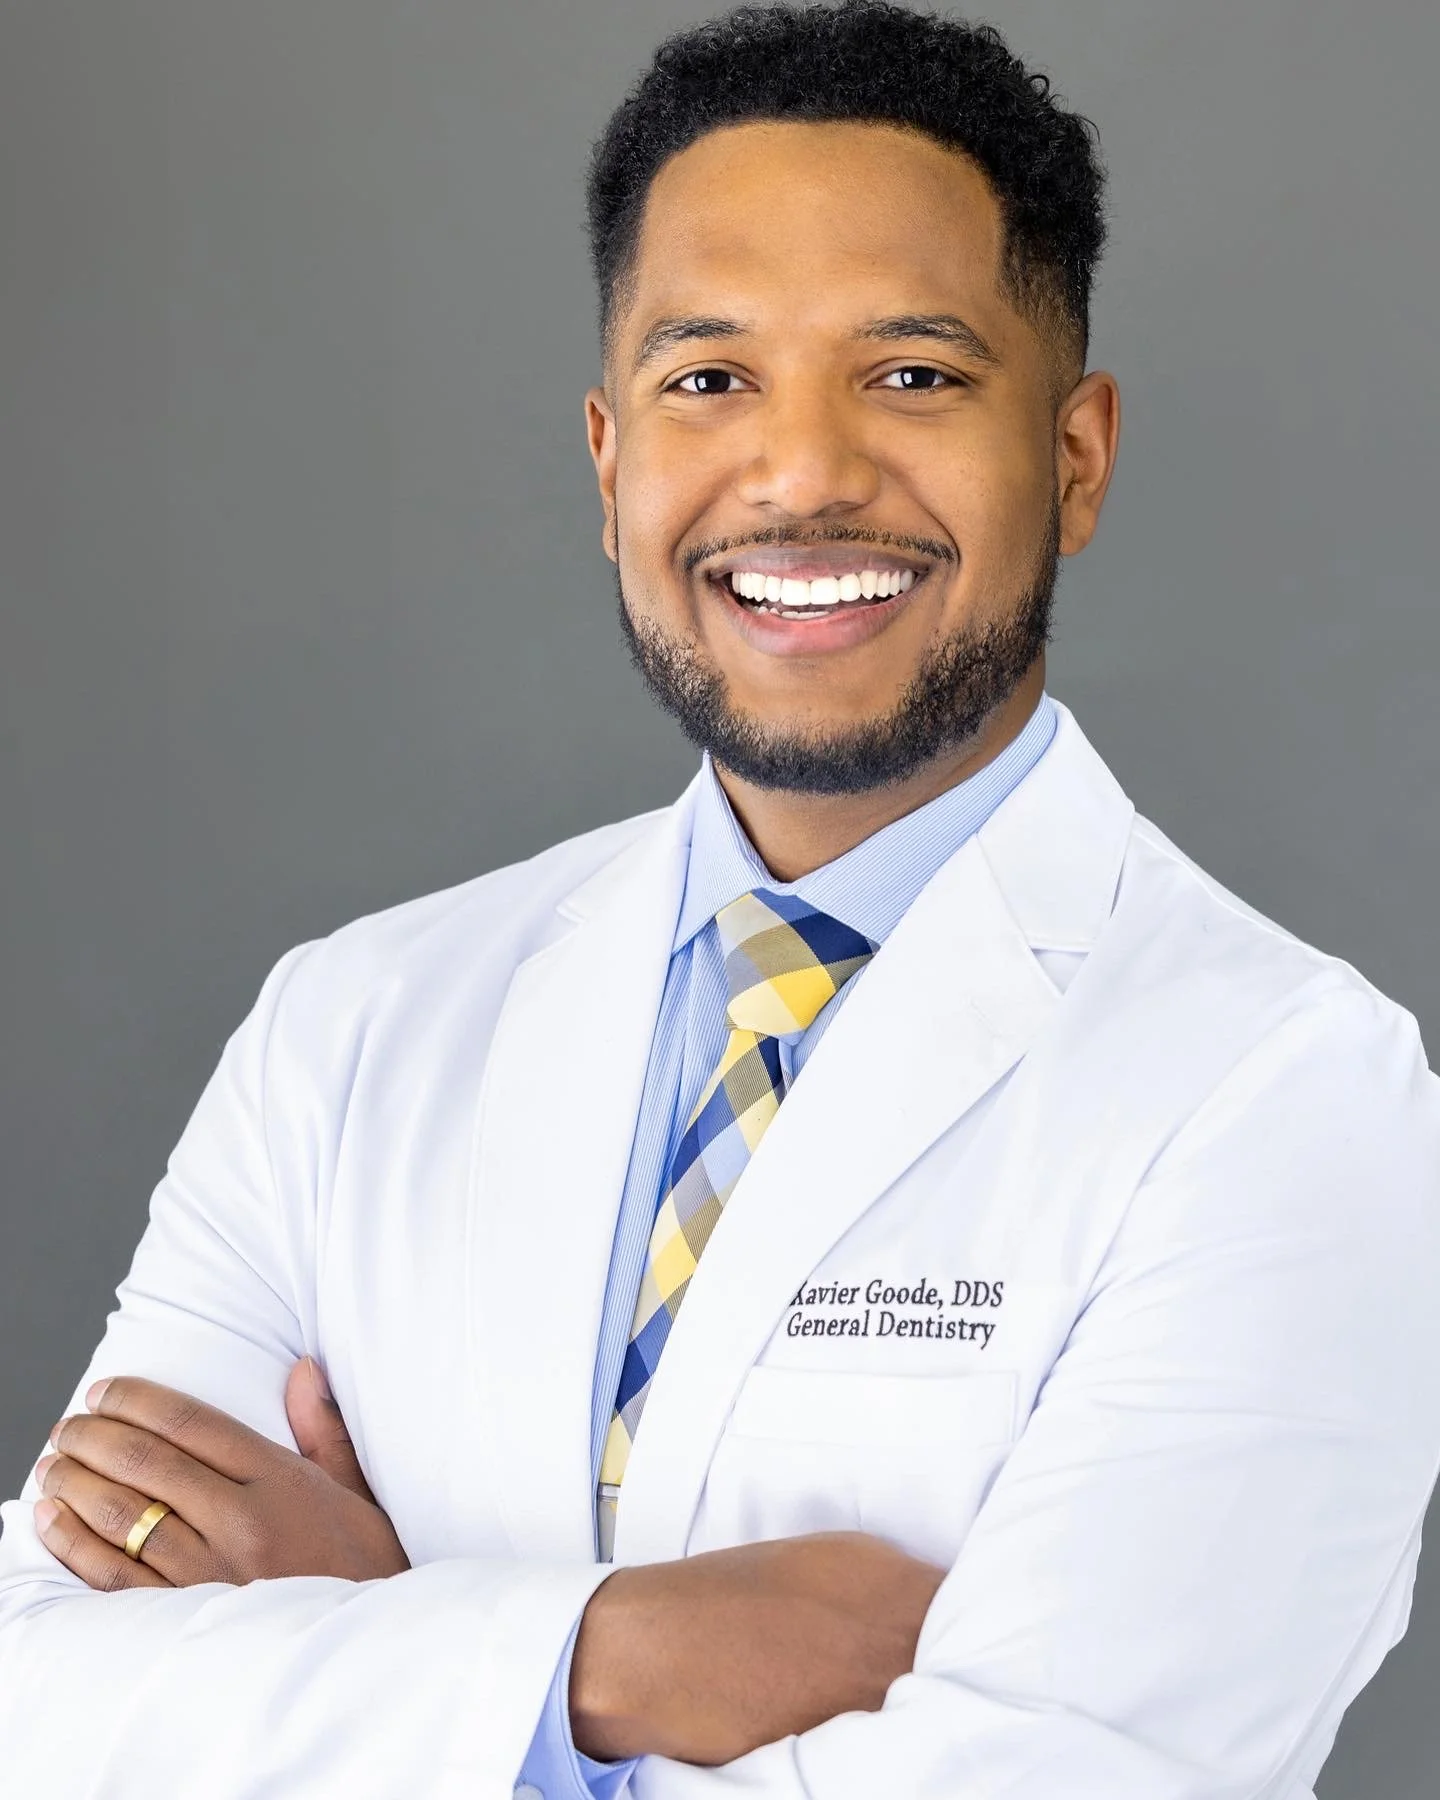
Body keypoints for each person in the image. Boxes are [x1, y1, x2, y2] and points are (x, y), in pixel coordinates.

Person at [3, 3, 1438, 1796]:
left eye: (913, 374)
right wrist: (608, 1657)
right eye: (709, 379)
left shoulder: (1290, 1097)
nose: (805, 473)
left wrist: (368, 1644)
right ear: (610, 467)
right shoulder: (352, 1027)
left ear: (1074, 458)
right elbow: (36, 1700)